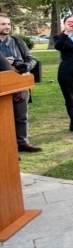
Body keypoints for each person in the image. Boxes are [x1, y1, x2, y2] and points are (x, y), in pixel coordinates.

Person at [0, 13, 42, 153]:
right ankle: (7, 149)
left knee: (21, 116)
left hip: (19, 85)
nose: (6, 27)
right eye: (2, 24)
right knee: (3, 120)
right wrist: (5, 63)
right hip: (2, 88)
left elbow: (32, 59)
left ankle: (22, 143)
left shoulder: (17, 42)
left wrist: (22, 66)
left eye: (8, 24)